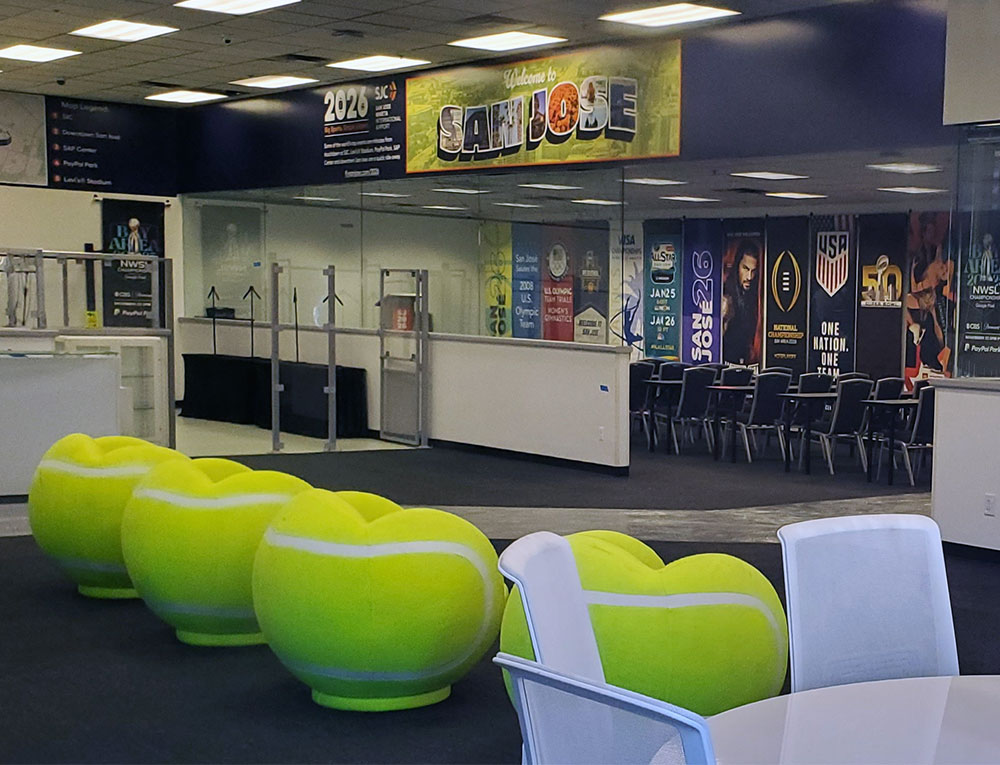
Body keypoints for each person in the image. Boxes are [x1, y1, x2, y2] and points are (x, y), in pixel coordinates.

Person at [722, 240, 760, 364]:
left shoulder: (755, 294)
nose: (749, 277)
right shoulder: (726, 292)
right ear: (737, 266)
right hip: (727, 361)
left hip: (747, 361)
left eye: (753, 271)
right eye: (745, 269)